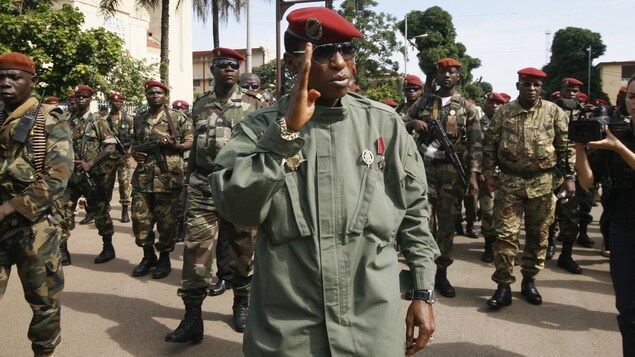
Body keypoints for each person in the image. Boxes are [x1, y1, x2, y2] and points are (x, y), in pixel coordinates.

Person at [210, 7, 439, 356]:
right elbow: (236, 206)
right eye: (321, 53)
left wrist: (423, 291)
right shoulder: (260, 128)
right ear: (291, 64)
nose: (338, 63)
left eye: (345, 50)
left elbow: (414, 213)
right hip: (290, 326)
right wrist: (284, 134)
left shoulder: (384, 124)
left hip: (370, 322)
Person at [165, 48, 268, 342]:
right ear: (212, 70)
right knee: (196, 250)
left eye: (234, 65)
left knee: (242, 252)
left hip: (239, 188)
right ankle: (192, 317)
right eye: (223, 65)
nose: (229, 70)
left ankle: (242, 303)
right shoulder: (201, 105)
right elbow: (196, 151)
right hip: (203, 186)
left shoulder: (255, 105)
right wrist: (186, 188)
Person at [0, 52, 73, 357]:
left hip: (35, 230)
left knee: (43, 304)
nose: (5, 82)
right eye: (1, 76)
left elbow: (58, 177)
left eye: (14, 77)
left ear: (32, 81)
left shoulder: (49, 119)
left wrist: (9, 208)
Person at [484, 68, 575, 308]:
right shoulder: (504, 112)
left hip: (543, 185)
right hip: (509, 184)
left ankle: (529, 281)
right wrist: (489, 174)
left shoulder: (554, 112)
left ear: (541, 87)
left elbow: (566, 146)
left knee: (538, 236)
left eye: (536, 85)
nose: (531, 89)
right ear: (518, 86)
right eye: (527, 85)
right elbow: (489, 145)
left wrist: (569, 177)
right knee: (505, 236)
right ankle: (503, 286)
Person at [403, 57, 482, 298]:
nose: (447, 75)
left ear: (459, 77)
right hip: (423, 169)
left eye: (452, 72)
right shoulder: (424, 101)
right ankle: (419, 275)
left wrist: (473, 174)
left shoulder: (468, 108)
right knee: (421, 223)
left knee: (446, 226)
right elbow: (400, 120)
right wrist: (413, 122)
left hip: (451, 173)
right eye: (443, 72)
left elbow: (476, 143)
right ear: (436, 76)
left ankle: (441, 274)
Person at [575, 74, 635, 357]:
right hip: (624, 229)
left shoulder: (617, 141)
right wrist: (580, 148)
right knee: (628, 311)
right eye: (632, 97)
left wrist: (619, 149)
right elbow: (588, 183)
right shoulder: (617, 133)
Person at [129, 80, 192, 279]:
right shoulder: (139, 119)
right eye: (150, 93)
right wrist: (134, 154)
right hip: (143, 177)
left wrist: (176, 146)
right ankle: (148, 257)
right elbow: (134, 142)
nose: (154, 95)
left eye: (158, 92)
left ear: (165, 96)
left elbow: (190, 141)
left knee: (167, 223)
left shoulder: (177, 118)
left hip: (168, 179)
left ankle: (164, 258)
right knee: (140, 220)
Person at [60, 84, 117, 265]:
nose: (80, 99)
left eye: (84, 96)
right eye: (77, 96)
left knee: (100, 213)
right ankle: (62, 251)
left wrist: (91, 163)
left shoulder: (98, 121)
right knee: (62, 211)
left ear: (91, 99)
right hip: (70, 177)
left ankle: (108, 247)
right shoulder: (67, 120)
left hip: (92, 176)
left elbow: (110, 146)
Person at [549, 77, 591, 274]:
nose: (572, 93)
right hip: (551, 169)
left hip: (574, 169)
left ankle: (566, 254)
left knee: (570, 214)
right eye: (569, 90)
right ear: (562, 90)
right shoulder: (550, 110)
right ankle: (549, 243)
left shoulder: (585, 113)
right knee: (548, 212)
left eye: (575, 90)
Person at [478, 91, 507, 263]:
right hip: (486, 175)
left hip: (506, 176)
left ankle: (503, 248)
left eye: (498, 103)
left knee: (505, 214)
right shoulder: (477, 124)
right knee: (487, 212)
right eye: (491, 103)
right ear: (486, 105)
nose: (494, 106)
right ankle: (488, 246)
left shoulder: (509, 123)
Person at [103, 92, 132, 223]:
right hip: (108, 157)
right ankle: (106, 207)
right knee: (107, 184)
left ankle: (125, 210)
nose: (118, 103)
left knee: (124, 184)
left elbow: (134, 137)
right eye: (115, 101)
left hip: (123, 156)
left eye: (120, 101)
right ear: (110, 102)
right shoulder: (104, 119)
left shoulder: (128, 119)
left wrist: (130, 151)